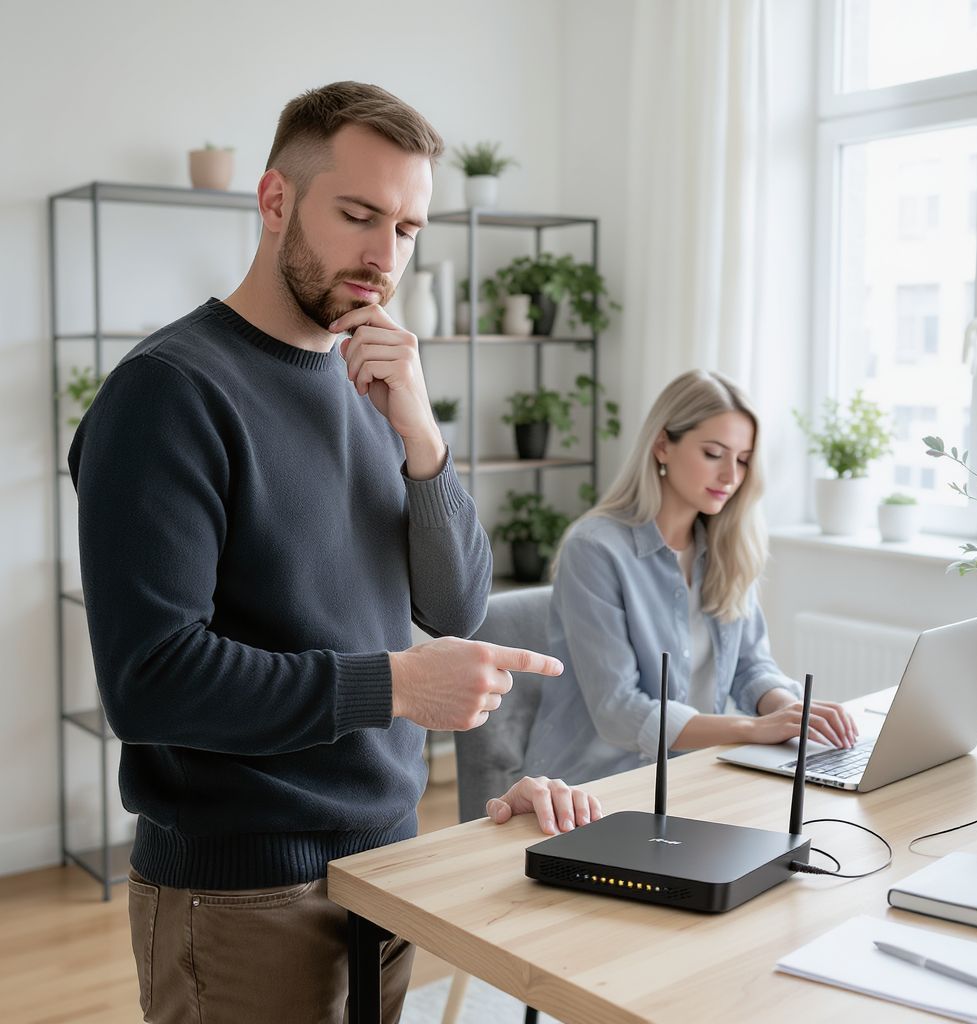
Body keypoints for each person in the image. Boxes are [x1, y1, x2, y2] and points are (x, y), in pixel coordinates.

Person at [69, 81, 599, 1024]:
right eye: (359, 215)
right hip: (242, 893)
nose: (382, 255)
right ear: (275, 202)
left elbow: (457, 606)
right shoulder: (169, 394)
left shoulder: (374, 382)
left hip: (387, 866)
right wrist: (395, 686)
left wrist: (424, 440)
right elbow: (151, 681)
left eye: (406, 229)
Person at [523, 369, 859, 785]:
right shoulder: (595, 548)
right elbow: (618, 712)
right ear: (663, 445)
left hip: (692, 774)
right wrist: (753, 730)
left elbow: (749, 667)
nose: (731, 477)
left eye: (743, 459)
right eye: (714, 454)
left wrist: (790, 713)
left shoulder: (727, 547)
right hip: (591, 787)